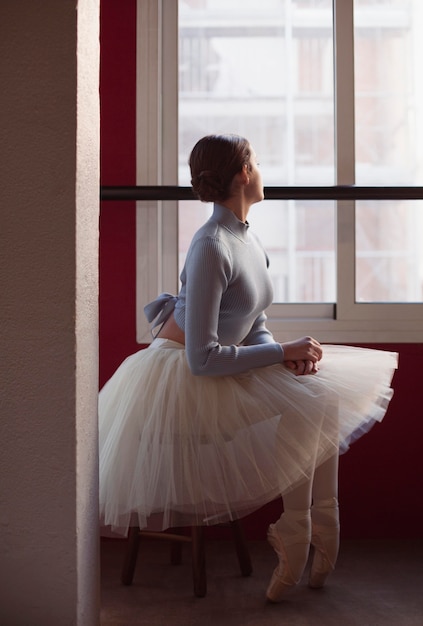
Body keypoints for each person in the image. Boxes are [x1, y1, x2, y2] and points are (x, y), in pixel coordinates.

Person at [99, 134, 398, 602]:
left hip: (219, 364)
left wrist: (283, 352)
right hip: (179, 379)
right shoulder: (211, 246)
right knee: (307, 406)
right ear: (242, 174)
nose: (261, 170)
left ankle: (320, 520)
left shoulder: (248, 238)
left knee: (323, 393)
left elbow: (254, 319)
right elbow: (202, 358)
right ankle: (298, 531)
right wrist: (280, 354)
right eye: (256, 162)